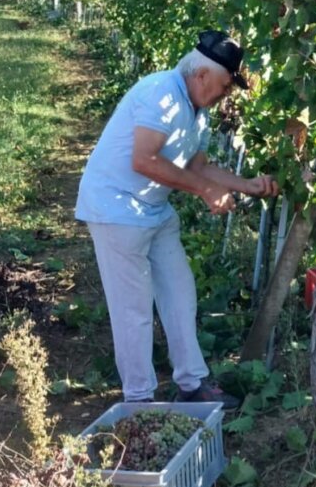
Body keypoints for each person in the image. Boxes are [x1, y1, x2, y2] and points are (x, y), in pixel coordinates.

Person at [75, 31, 278, 409]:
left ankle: (191, 384)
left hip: (153, 209)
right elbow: (145, 160)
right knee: (133, 309)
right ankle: (140, 400)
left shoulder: (197, 110)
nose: (225, 95)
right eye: (223, 86)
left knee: (180, 293)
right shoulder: (161, 94)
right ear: (202, 75)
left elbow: (198, 166)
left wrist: (246, 185)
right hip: (116, 208)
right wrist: (203, 191)